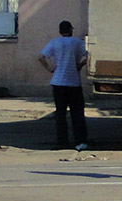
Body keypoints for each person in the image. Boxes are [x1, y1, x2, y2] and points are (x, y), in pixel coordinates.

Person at [38, 20, 89, 150]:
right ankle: (80, 141)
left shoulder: (54, 42)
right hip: (73, 83)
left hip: (58, 82)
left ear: (60, 31)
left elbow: (41, 57)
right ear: (71, 30)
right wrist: (80, 65)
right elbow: (89, 55)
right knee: (77, 113)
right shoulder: (77, 43)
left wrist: (49, 68)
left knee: (60, 114)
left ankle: (62, 141)